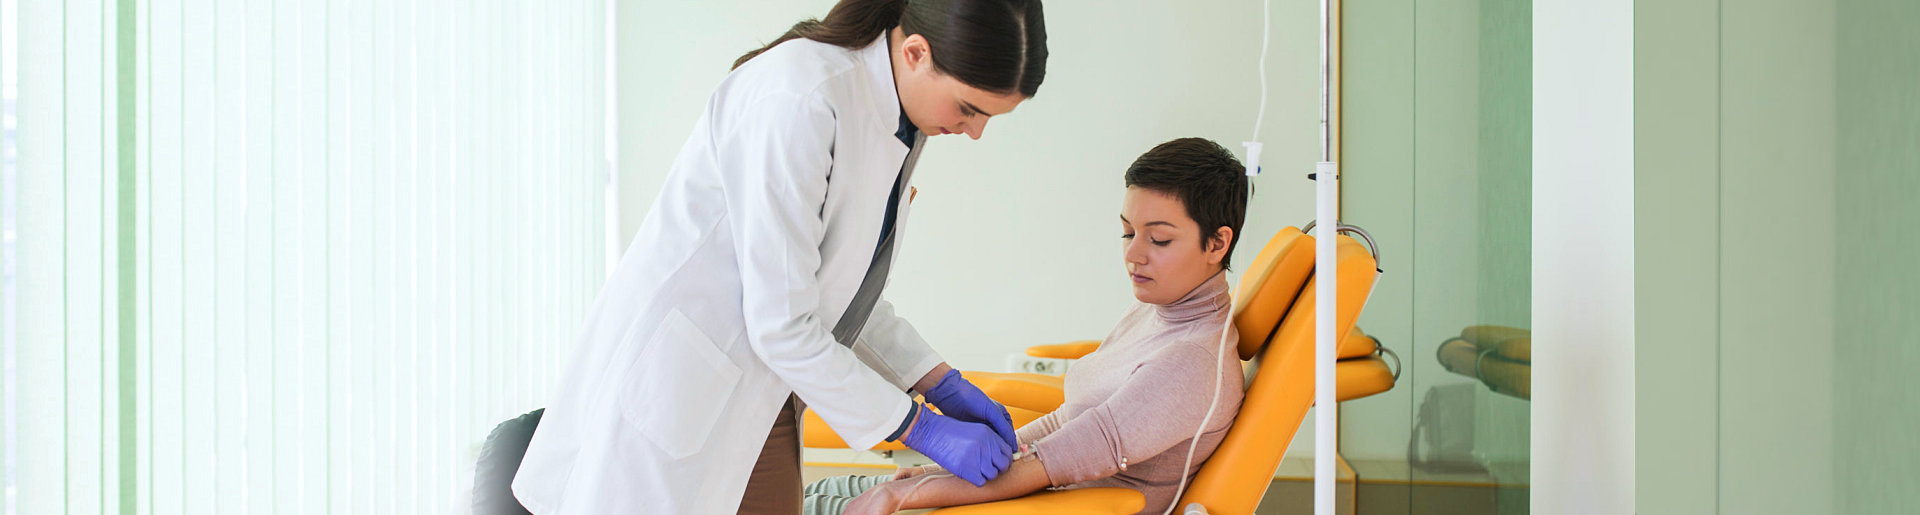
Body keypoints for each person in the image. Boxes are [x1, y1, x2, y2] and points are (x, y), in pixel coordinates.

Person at [509, 1, 1050, 513]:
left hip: (766, 395)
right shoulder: (801, 96)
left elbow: (838, 291)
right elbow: (781, 322)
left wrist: (937, 381)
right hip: (685, 393)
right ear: (915, 53)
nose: (975, 132)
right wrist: (919, 427)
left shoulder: (895, 117)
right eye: (970, 108)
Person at [804, 138, 1251, 515]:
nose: (1134, 254)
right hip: (1021, 493)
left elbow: (1050, 464)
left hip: (1040, 503)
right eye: (1127, 232)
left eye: (1159, 239)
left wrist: (902, 493)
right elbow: (1061, 426)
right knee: (805, 496)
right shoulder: (1158, 312)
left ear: (1217, 242)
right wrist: (928, 473)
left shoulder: (1190, 361)